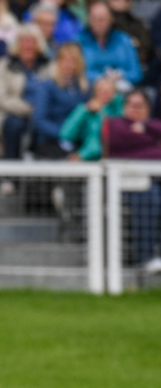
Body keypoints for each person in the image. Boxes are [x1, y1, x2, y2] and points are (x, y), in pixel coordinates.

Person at [103, 89, 161, 267]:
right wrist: (153, 141)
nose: (135, 110)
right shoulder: (114, 124)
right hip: (125, 183)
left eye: (140, 106)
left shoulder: (153, 125)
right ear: (124, 106)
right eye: (132, 105)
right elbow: (119, 142)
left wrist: (145, 128)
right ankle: (146, 258)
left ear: (148, 109)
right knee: (149, 198)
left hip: (154, 179)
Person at [0, 24, 48, 158]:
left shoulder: (47, 66)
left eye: (32, 41)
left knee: (43, 125)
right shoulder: (3, 65)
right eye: (24, 41)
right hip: (8, 114)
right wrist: (28, 108)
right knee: (15, 124)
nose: (28, 46)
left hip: (41, 115)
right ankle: (10, 170)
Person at [28, 41, 88, 157]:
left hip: (78, 141)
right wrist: (64, 133)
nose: (68, 65)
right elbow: (39, 119)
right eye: (64, 60)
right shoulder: (47, 86)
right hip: (51, 140)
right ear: (58, 62)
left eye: (73, 61)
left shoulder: (85, 88)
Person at [78, 0, 140, 88]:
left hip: (122, 88)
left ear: (111, 19)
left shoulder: (123, 39)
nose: (98, 23)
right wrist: (103, 77)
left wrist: (120, 75)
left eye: (102, 19)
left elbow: (136, 73)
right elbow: (78, 72)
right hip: (91, 89)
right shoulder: (80, 41)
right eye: (93, 19)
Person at [59, 73, 122, 159]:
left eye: (108, 91)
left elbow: (112, 134)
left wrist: (116, 102)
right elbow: (66, 134)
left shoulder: (119, 109)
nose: (104, 94)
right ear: (95, 92)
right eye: (101, 90)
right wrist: (84, 110)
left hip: (114, 156)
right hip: (88, 157)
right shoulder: (85, 110)